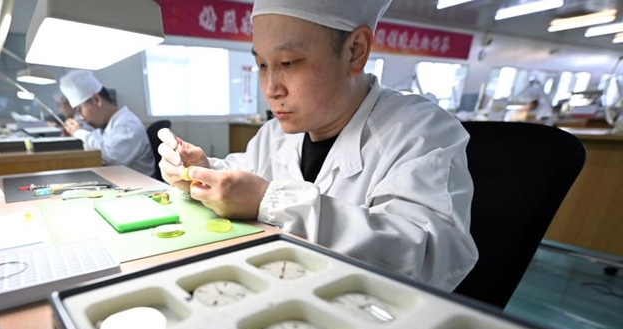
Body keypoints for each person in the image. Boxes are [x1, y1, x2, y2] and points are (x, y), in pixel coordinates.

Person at [157, 0, 478, 292]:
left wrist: (271, 202)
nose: (271, 89)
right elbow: (244, 175)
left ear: (355, 50)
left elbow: (425, 259)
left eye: (288, 62)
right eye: (262, 65)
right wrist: (202, 170)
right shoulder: (275, 134)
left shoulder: (421, 133)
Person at [59, 70, 154, 176]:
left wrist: (79, 132)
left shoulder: (127, 123)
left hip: (139, 184)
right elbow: (99, 143)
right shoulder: (109, 125)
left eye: (80, 109)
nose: (82, 117)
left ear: (96, 100)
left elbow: (111, 157)